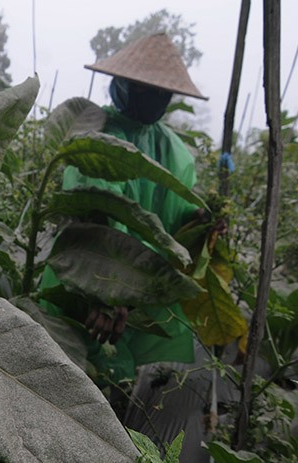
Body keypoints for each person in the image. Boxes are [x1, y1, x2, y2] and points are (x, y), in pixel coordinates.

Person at [41, 33, 209, 380]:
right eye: (143, 88)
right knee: (69, 365)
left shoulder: (173, 149)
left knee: (110, 373)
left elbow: (173, 222)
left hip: (137, 290)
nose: (153, 99)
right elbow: (94, 220)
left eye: (161, 92)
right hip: (91, 275)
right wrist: (106, 293)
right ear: (121, 85)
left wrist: (202, 223)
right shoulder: (98, 136)